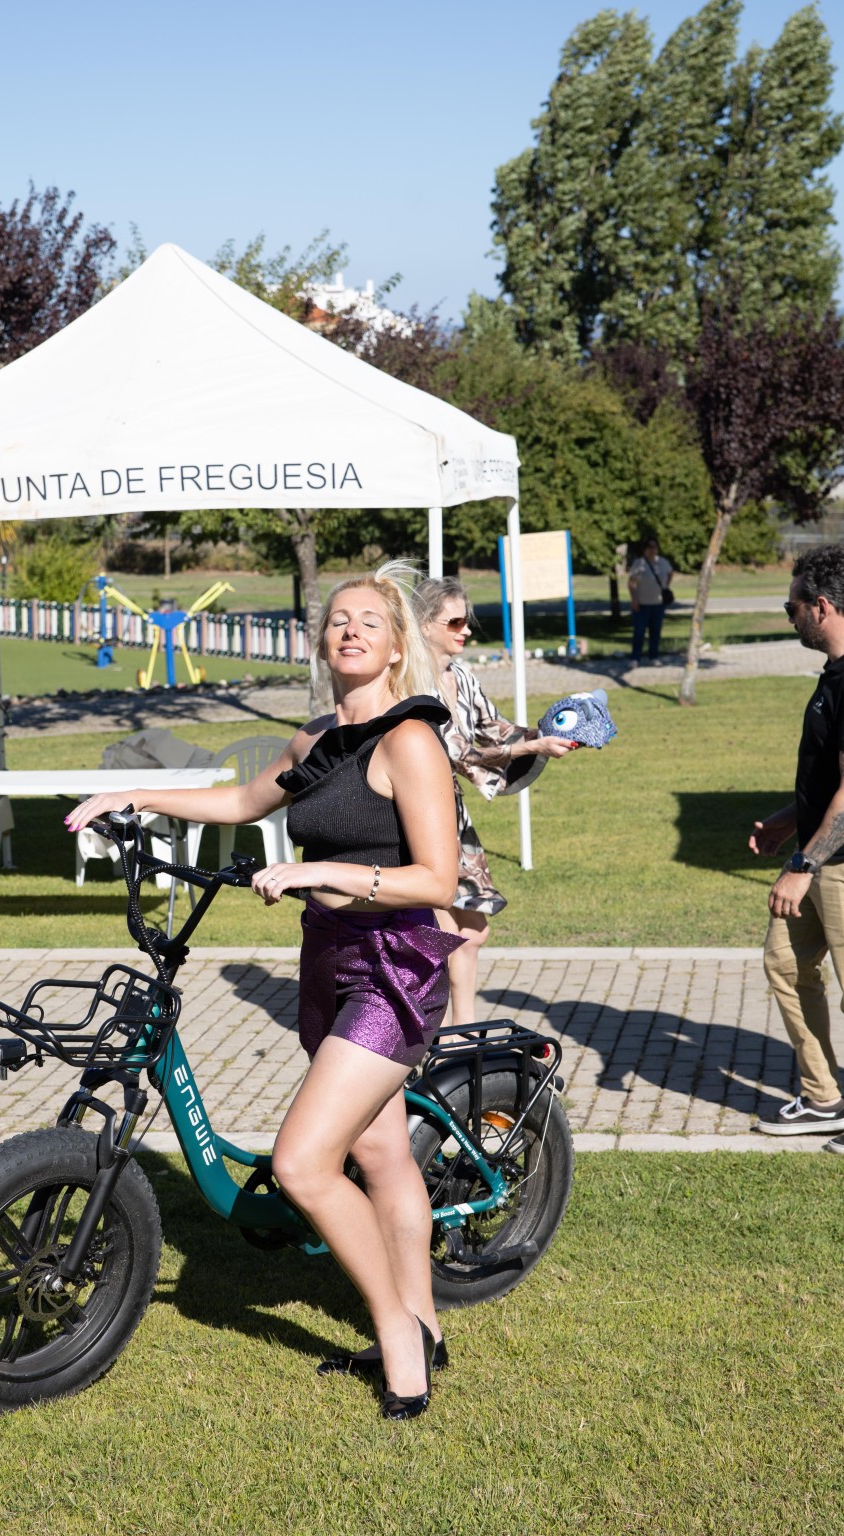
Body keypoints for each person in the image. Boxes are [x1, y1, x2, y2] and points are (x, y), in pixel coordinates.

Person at [67, 562, 463, 1419]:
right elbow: (242, 800)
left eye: (370, 621)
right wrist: (129, 794)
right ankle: (425, 1319)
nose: (350, 631)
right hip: (327, 961)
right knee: (380, 1152)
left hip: (395, 969)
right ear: (321, 643)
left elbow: (437, 879)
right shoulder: (312, 741)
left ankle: (399, 1335)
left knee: (302, 1163)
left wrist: (325, 870)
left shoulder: (410, 742)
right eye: (338, 620)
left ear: (398, 647)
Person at [413, 576, 578, 1027]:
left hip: (450, 816)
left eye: (467, 621)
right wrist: (531, 747)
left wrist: (551, 733)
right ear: (425, 625)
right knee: (443, 933)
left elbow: (494, 730)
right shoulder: (410, 684)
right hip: (413, 819)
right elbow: (453, 752)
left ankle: (462, 1032)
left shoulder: (461, 676)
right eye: (455, 622)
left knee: (473, 931)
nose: (466, 630)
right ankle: (429, 1035)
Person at [751, 545, 844, 1143]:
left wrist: (804, 864)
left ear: (822, 606)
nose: (791, 618)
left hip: (835, 865)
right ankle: (824, 1097)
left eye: (792, 609)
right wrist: (790, 819)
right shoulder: (833, 676)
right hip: (817, 854)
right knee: (785, 964)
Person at [628, 537, 674, 662]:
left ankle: (653, 656)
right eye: (650, 547)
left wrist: (665, 586)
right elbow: (631, 582)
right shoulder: (639, 563)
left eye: (655, 547)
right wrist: (634, 599)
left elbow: (670, 573)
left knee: (655, 631)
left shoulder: (663, 563)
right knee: (639, 632)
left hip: (658, 603)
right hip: (642, 603)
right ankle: (635, 657)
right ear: (645, 549)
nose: (653, 550)